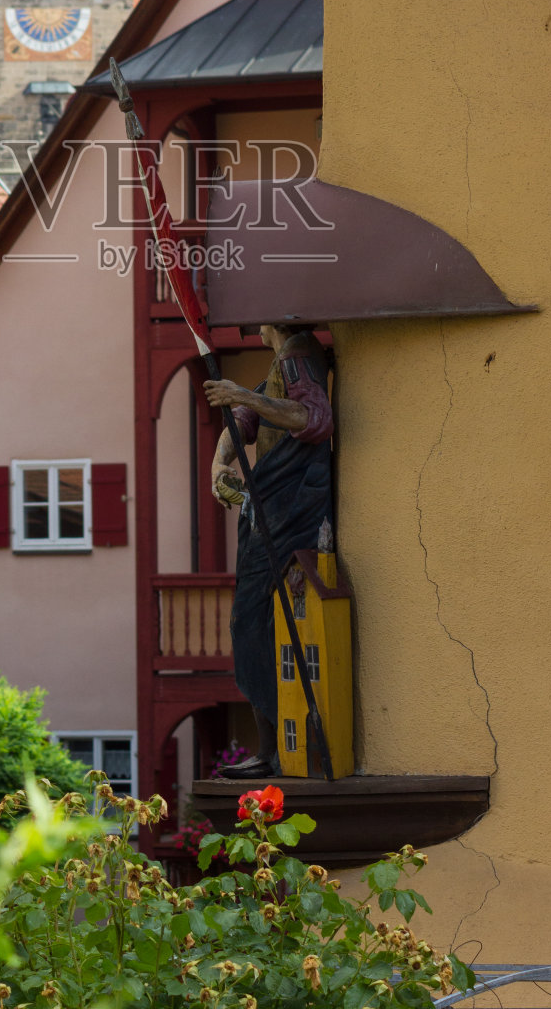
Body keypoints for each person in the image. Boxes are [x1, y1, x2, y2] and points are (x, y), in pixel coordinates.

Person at [202, 322, 333, 779]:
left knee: (250, 622)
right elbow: (246, 422)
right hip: (270, 507)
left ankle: (277, 748)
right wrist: (220, 463)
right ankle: (274, 747)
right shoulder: (284, 362)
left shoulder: (300, 355)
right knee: (255, 623)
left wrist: (243, 395)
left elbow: (311, 419)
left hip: (290, 509)